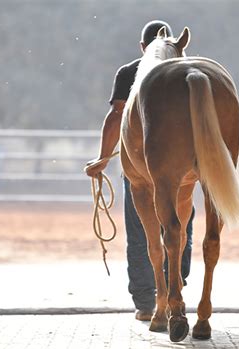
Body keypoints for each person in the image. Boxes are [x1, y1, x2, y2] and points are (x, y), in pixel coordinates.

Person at [85, 20, 194, 321]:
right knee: (181, 226)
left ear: (143, 48)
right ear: (174, 47)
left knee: (139, 232)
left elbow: (116, 115)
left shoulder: (130, 72)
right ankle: (176, 287)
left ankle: (146, 302)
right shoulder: (183, 73)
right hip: (179, 168)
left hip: (138, 168)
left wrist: (103, 158)